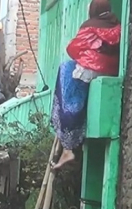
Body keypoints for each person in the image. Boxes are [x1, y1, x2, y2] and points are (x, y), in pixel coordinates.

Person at [50, 0, 121, 170]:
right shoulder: (117, 25)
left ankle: (68, 148)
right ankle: (69, 147)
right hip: (111, 69)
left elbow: (73, 48)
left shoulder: (90, 25)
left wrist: (85, 55)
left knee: (66, 73)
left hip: (91, 69)